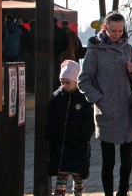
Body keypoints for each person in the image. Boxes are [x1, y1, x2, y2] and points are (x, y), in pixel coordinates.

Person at [78, 11, 132, 196]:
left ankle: (123, 190)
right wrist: (98, 99)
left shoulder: (128, 48)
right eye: (114, 30)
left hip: (127, 109)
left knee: (127, 158)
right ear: (105, 28)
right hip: (106, 111)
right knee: (108, 160)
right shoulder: (95, 50)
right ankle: (107, 193)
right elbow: (83, 80)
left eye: (121, 30)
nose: (117, 34)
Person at [46, 60, 95, 196]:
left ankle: (78, 191)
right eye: (62, 82)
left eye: (68, 82)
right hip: (61, 143)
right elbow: (51, 117)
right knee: (61, 173)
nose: (64, 85)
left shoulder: (83, 98)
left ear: (76, 81)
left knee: (77, 174)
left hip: (78, 144)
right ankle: (59, 193)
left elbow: (89, 120)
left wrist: (83, 136)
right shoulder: (57, 97)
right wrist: (51, 135)